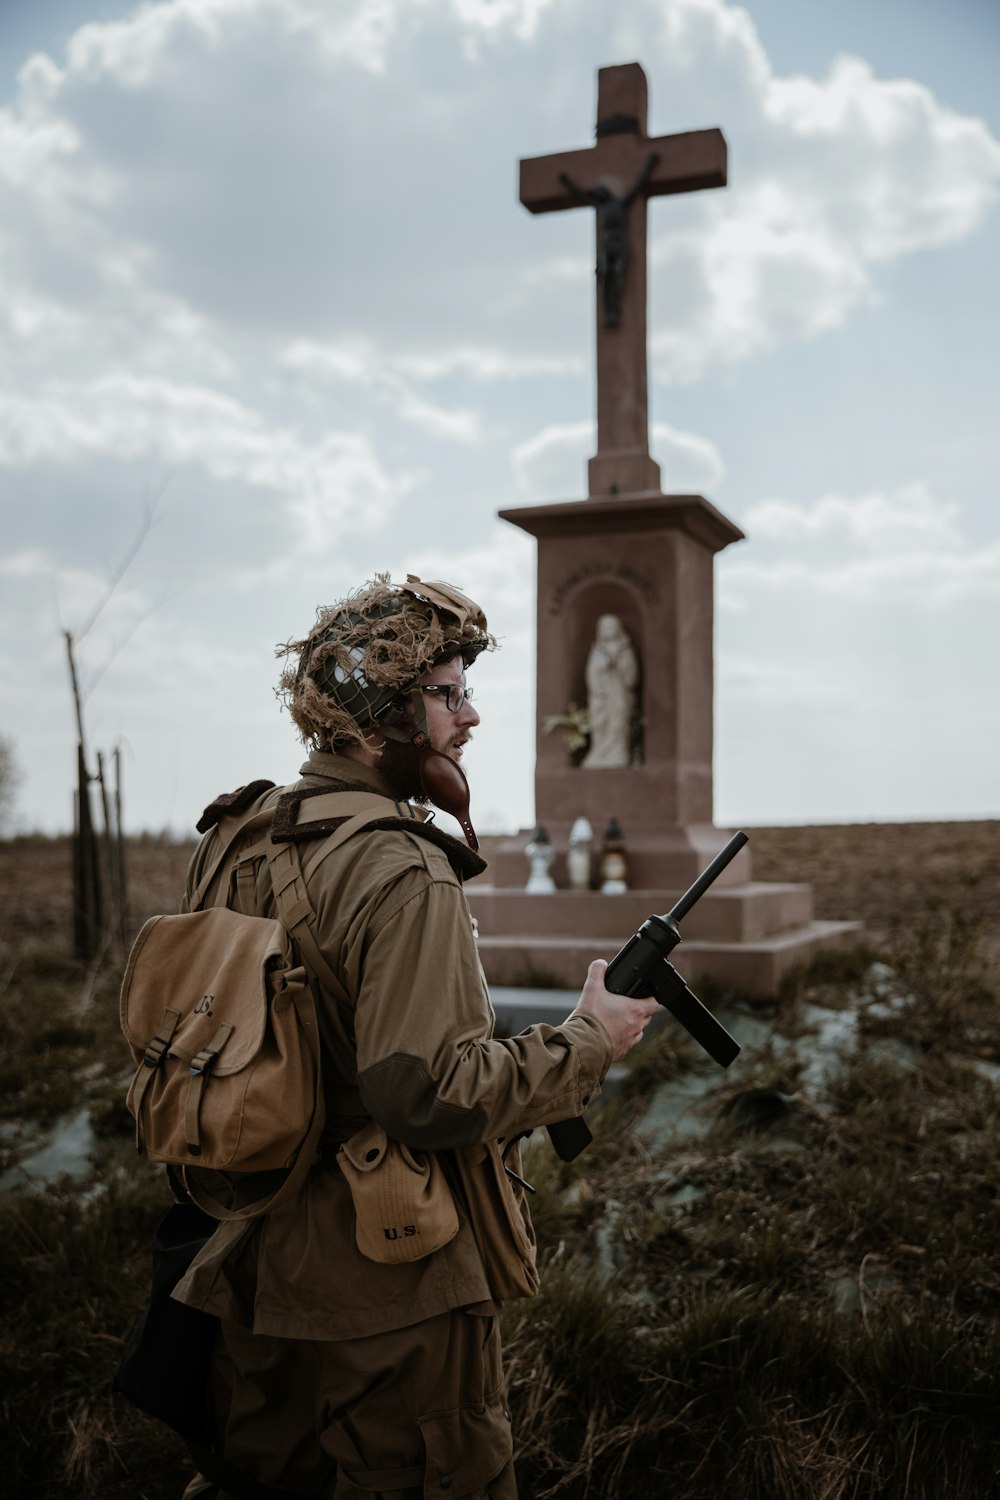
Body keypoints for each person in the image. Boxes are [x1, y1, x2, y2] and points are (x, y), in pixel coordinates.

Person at [171, 573, 659, 1499]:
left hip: (249, 1251)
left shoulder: (236, 834)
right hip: (391, 1288)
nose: (468, 717)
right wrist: (590, 1040)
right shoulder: (402, 867)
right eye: (447, 693)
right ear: (380, 711)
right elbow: (428, 1092)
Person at [581, 613, 640, 769]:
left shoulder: (625, 649)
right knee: (599, 723)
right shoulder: (598, 650)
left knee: (618, 721)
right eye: (605, 627)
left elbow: (631, 675)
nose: (608, 630)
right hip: (602, 696)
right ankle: (599, 750)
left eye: (611, 626)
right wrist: (604, 667)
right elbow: (591, 672)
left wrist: (620, 664)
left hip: (619, 694)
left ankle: (618, 751)